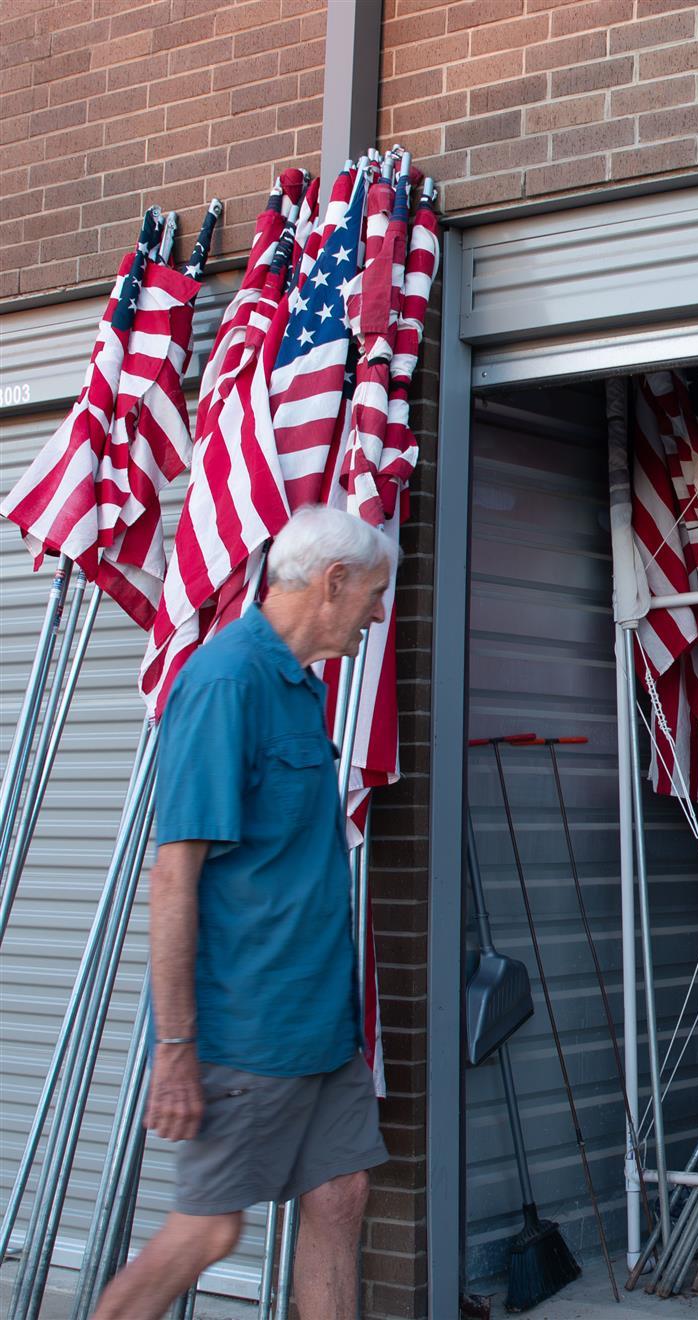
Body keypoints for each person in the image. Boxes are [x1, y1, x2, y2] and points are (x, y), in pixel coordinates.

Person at [95, 506, 397, 1320]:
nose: (377, 614)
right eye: (372, 595)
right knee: (208, 1230)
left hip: (321, 1025)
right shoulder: (228, 681)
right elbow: (173, 878)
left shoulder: (300, 686)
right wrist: (177, 1047)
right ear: (332, 583)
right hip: (249, 1027)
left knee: (340, 1194)